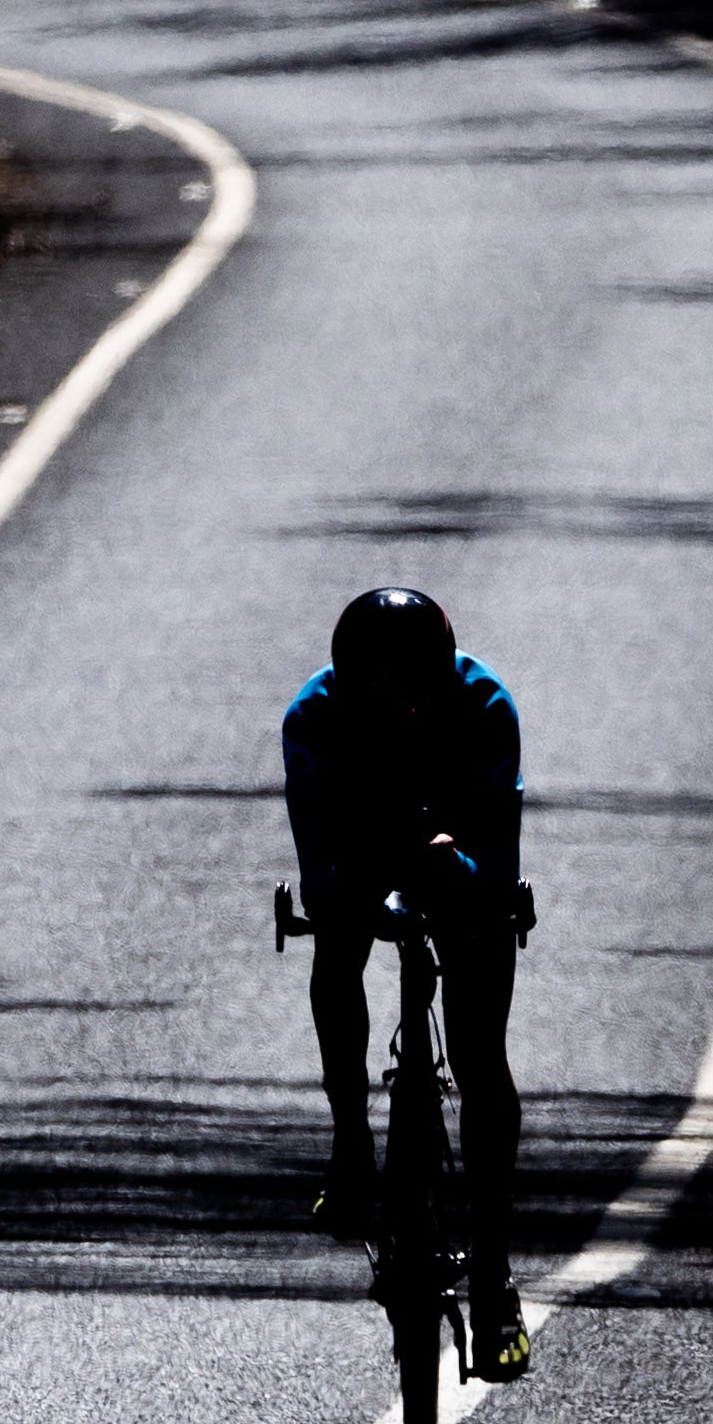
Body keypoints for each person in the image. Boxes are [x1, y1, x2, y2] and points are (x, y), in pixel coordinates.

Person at [281, 585, 530, 1383]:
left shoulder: (486, 707)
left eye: (418, 701)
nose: (402, 717)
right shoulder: (313, 719)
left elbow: (494, 869)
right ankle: (351, 1142)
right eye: (378, 702)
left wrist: (442, 860)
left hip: (456, 866)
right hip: (361, 851)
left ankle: (493, 1278)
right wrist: (372, 861)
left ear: (443, 684)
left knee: (480, 1054)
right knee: (337, 944)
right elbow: (320, 872)